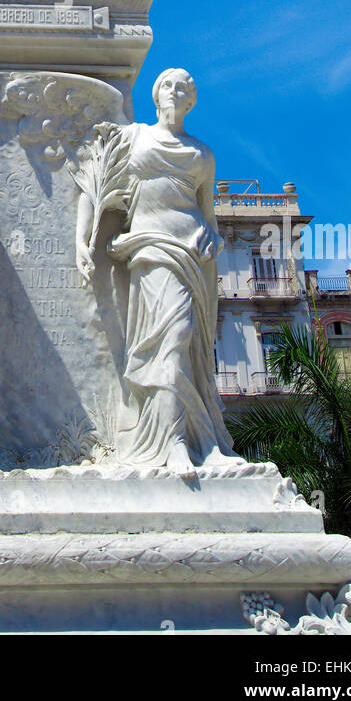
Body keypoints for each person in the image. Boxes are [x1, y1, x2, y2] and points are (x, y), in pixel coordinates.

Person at [75, 69, 240, 478]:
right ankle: (174, 442)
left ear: (191, 101)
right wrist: (82, 238)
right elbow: (93, 183)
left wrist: (213, 242)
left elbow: (209, 217)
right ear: (156, 95)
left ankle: (193, 438)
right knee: (169, 340)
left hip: (192, 253)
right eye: (168, 83)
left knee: (187, 346)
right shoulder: (135, 137)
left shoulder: (202, 154)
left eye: (184, 86)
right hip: (151, 247)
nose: (176, 89)